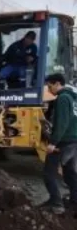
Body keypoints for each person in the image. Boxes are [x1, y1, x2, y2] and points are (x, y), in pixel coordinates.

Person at [40, 73, 77, 214]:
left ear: (57, 84)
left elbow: (62, 123)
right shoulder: (73, 98)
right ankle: (75, 201)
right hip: (74, 140)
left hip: (64, 141)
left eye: (50, 86)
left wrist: (53, 143)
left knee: (48, 173)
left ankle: (56, 203)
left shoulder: (62, 99)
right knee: (69, 173)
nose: (49, 90)